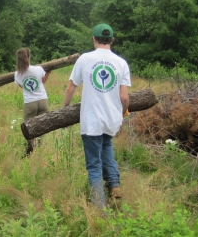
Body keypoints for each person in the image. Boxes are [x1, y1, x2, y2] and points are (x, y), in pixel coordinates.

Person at [62, 23, 131, 209]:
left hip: (91, 121)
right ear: (112, 40)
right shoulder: (121, 63)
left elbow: (70, 87)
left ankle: (99, 208)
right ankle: (115, 186)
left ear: (94, 39)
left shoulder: (85, 59)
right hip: (111, 119)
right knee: (107, 146)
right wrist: (123, 112)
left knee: (94, 165)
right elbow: (124, 96)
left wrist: (64, 109)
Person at [14, 47, 51, 155]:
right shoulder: (38, 69)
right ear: (29, 57)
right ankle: (39, 145)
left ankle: (31, 144)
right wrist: (48, 73)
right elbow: (42, 81)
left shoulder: (17, 74)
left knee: (28, 126)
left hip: (30, 103)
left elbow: (23, 86)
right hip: (43, 100)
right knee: (42, 124)